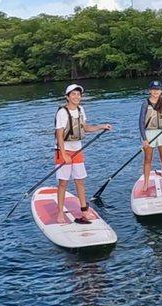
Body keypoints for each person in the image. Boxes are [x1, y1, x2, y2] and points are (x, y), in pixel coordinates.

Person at [54, 84, 112, 224]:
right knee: (63, 183)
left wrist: (101, 126)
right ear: (67, 97)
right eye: (73, 94)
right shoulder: (62, 112)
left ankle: (84, 210)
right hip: (63, 151)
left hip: (78, 150)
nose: (76, 97)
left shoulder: (81, 110)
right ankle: (60, 213)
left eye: (78, 94)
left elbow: (85, 128)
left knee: (80, 181)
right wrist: (64, 154)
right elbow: (59, 134)